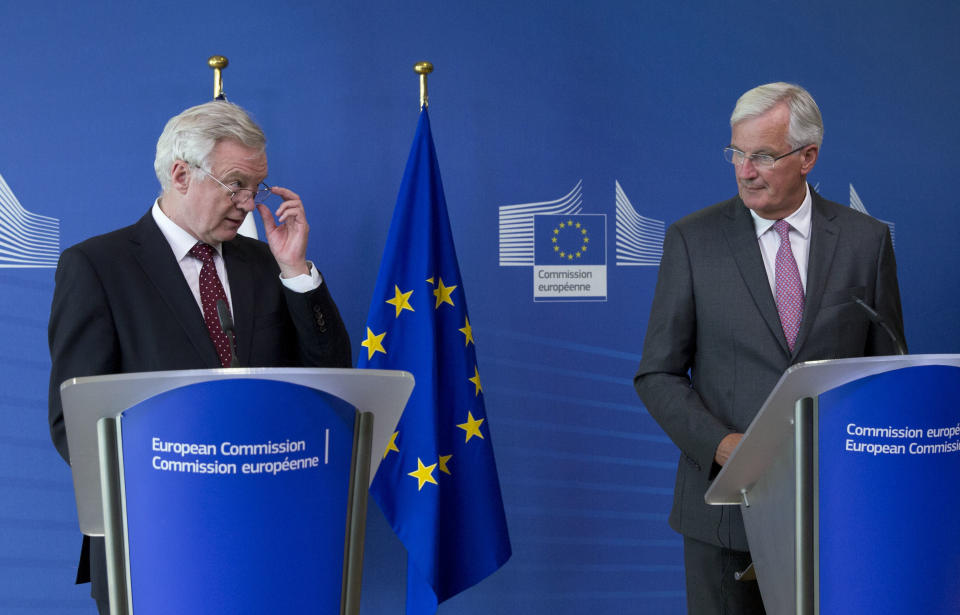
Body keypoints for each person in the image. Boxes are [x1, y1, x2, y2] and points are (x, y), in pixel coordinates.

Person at [47, 101, 351, 614]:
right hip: (153, 545)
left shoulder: (265, 261)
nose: (249, 203)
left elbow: (333, 378)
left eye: (258, 187)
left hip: (268, 540)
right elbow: (73, 425)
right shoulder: (97, 266)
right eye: (235, 184)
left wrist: (296, 270)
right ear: (181, 173)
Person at [633, 82, 905, 614]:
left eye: (762, 155)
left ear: (808, 157)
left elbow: (888, 373)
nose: (744, 170)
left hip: (840, 513)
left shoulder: (866, 242)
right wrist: (722, 446)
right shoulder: (693, 240)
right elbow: (657, 374)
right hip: (723, 516)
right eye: (736, 152)